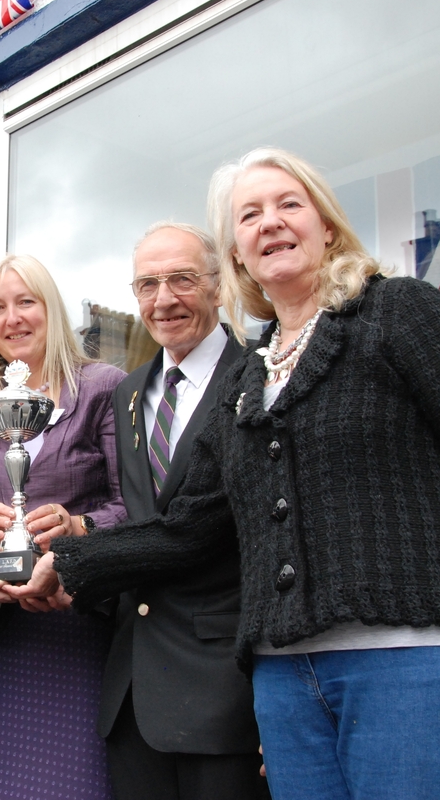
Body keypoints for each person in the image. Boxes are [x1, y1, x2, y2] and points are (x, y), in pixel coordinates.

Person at [29, 148, 440, 800]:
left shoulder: (399, 311)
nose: (269, 222)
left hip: (417, 661)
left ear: (327, 225)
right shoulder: (248, 375)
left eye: (288, 204)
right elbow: (191, 529)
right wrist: (73, 557)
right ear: (238, 258)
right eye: (248, 215)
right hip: (286, 682)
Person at [0, 253, 128, 800]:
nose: (13, 318)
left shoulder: (102, 386)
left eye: (26, 301)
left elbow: (132, 506)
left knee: (74, 780)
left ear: (50, 308)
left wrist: (77, 528)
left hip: (77, 622)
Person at [102, 222, 266, 800]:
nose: (163, 299)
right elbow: (137, 518)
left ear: (219, 286)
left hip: (225, 695)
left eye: (181, 280)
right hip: (131, 696)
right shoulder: (126, 395)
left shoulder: (260, 375)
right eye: (147, 284)